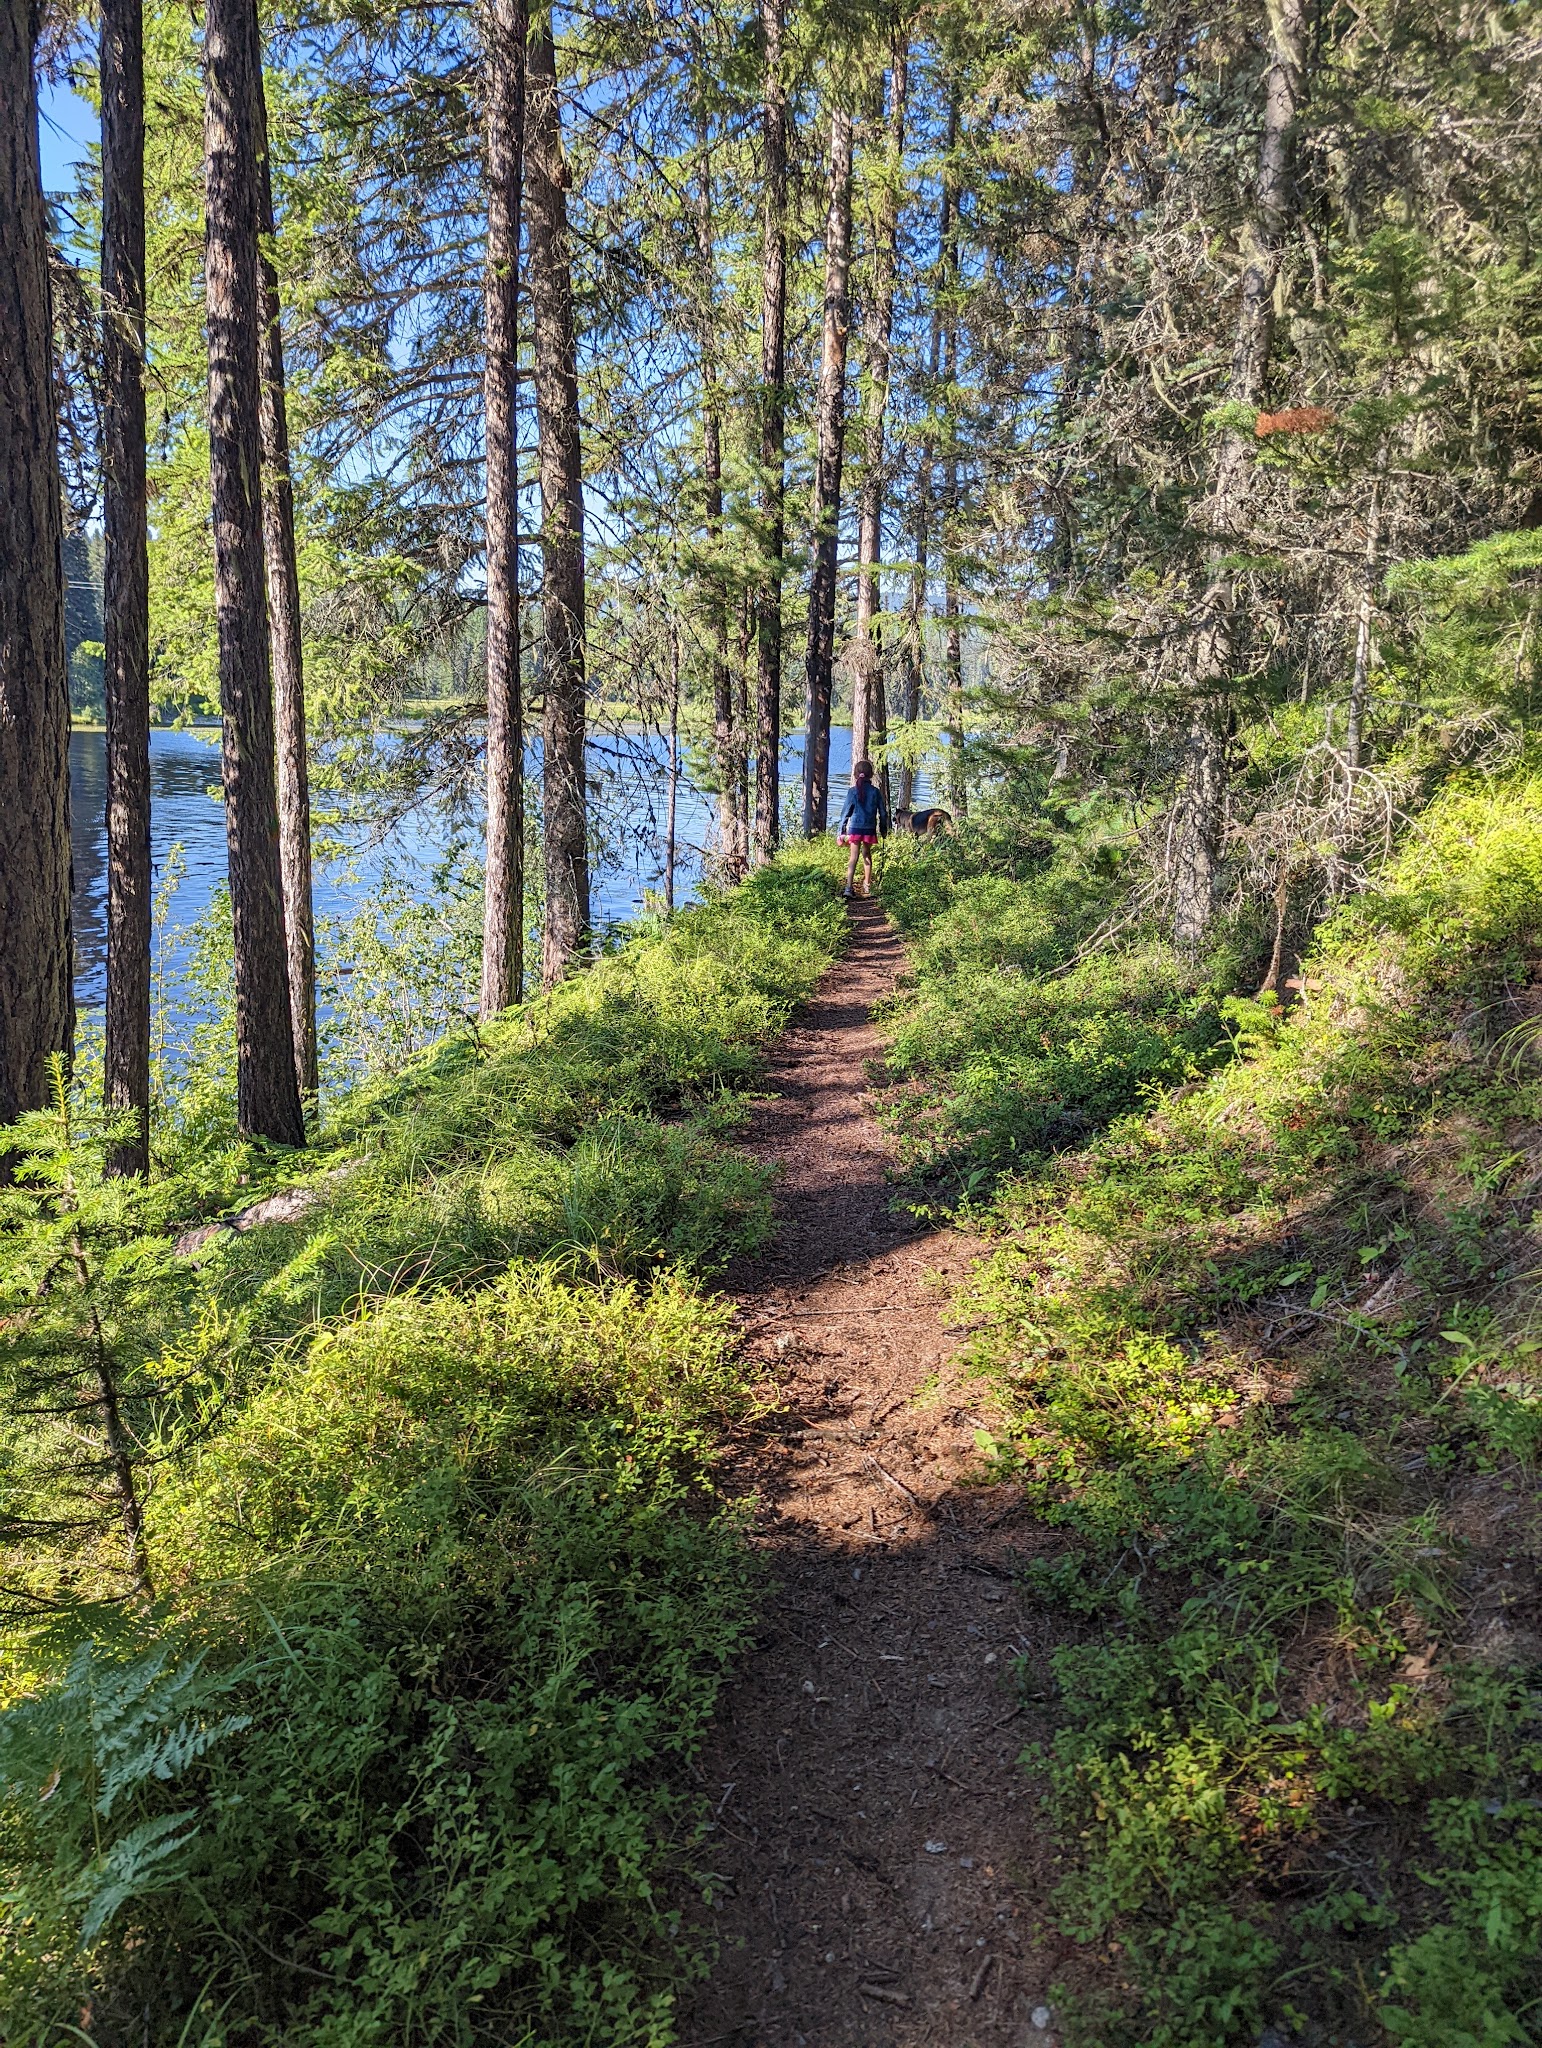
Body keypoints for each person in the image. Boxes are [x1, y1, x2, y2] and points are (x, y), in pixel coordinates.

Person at [837, 758, 888, 898]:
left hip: (854, 828)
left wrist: (841, 832)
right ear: (871, 774)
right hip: (869, 828)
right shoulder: (875, 792)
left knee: (853, 857)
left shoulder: (852, 791)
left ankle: (848, 887)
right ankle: (867, 886)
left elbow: (845, 812)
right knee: (867, 855)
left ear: (855, 774)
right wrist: (884, 830)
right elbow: (883, 813)